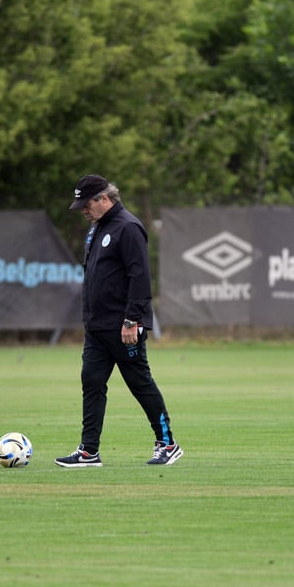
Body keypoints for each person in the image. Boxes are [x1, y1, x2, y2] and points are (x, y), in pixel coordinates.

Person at [55, 174, 183, 467]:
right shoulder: (97, 229)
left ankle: (167, 443)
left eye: (86, 205)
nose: (83, 211)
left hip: (123, 326)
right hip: (97, 327)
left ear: (104, 198)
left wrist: (132, 320)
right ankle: (89, 451)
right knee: (92, 382)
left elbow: (139, 277)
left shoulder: (128, 227)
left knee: (140, 383)